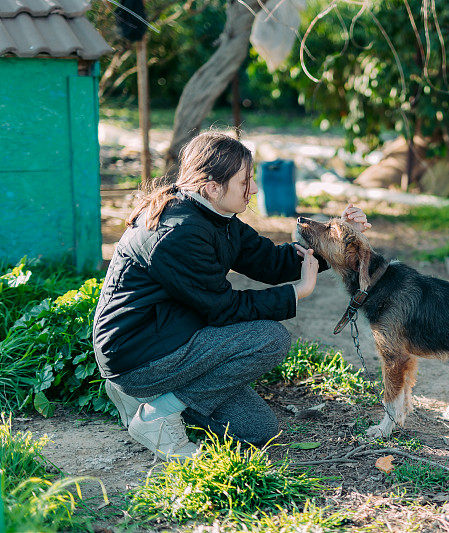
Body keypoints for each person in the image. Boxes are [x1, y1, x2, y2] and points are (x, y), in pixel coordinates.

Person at [92, 131, 371, 461]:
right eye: (245, 181)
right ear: (212, 187)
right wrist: (297, 292)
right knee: (269, 339)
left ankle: (142, 400)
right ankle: (156, 415)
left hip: (172, 336)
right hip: (139, 353)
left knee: (258, 431)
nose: (253, 189)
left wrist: (340, 238)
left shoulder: (211, 214)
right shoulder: (178, 233)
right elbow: (224, 309)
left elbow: (270, 261)